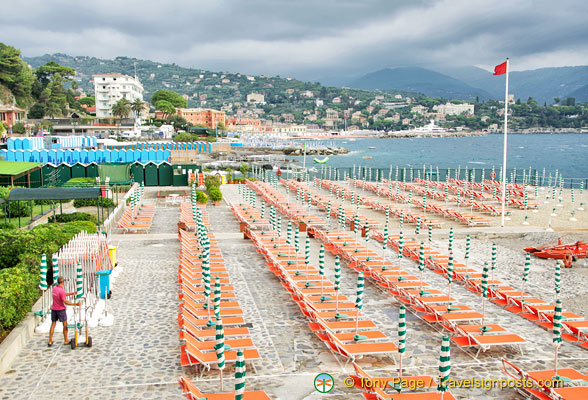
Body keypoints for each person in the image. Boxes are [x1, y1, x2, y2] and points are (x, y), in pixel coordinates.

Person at [48, 276, 80, 347]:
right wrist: (76, 304)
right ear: (63, 282)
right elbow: (65, 301)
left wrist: (71, 293)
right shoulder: (61, 290)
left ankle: (50, 340)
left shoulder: (54, 288)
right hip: (61, 310)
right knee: (65, 325)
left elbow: (62, 295)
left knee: (53, 324)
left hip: (54, 309)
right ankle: (66, 340)